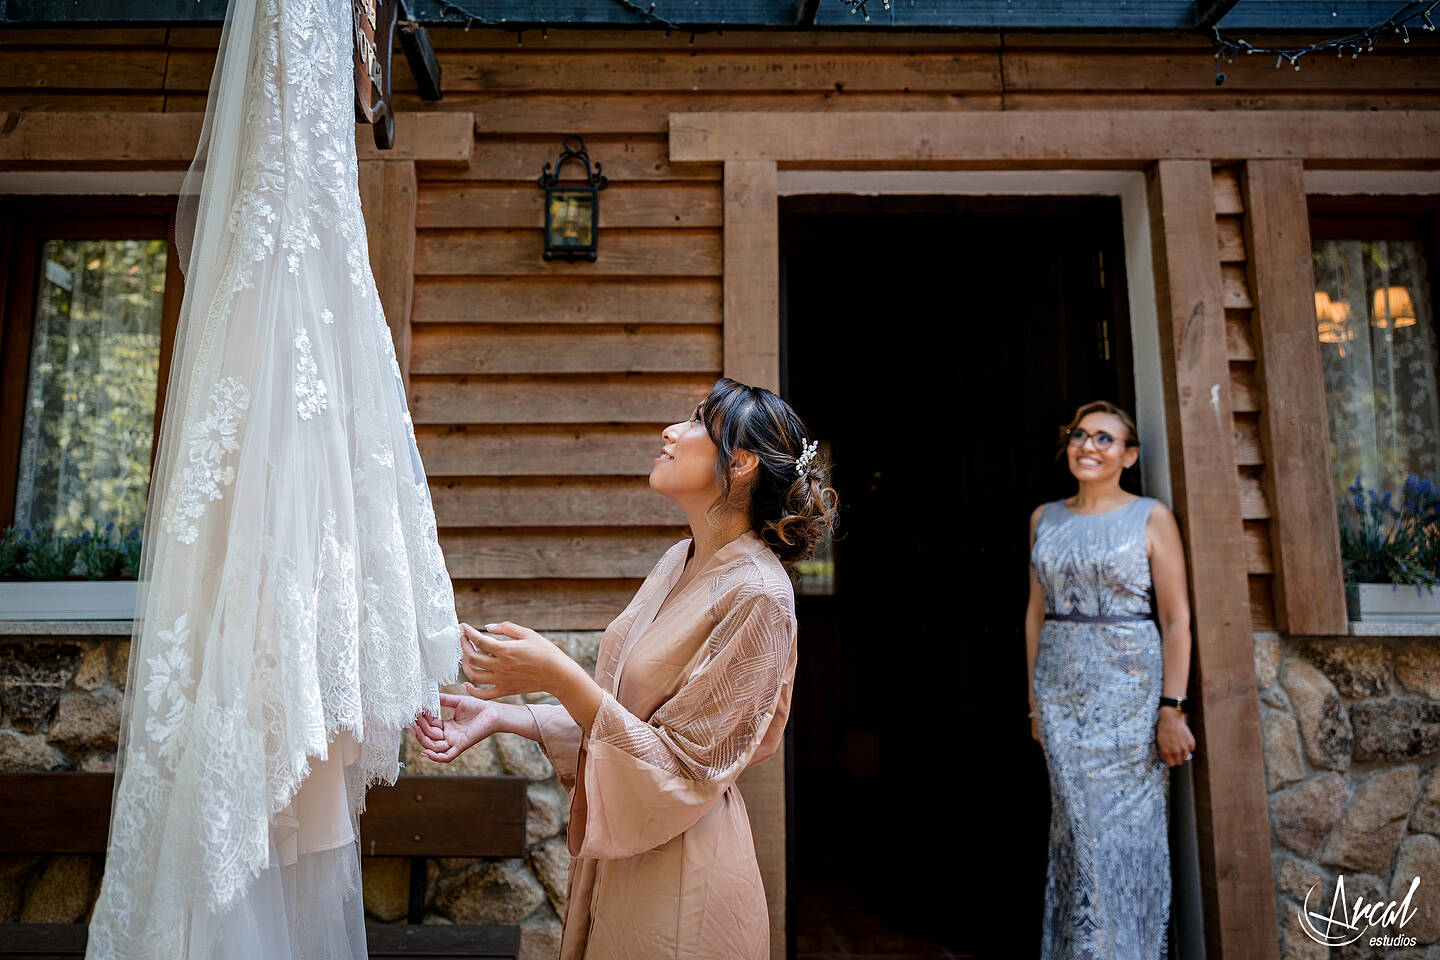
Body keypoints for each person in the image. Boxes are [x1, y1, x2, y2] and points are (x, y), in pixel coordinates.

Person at [412, 378, 838, 959]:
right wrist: (504, 718)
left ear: (740, 464)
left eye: (697, 421)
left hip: (685, 875)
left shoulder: (760, 595)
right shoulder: (678, 559)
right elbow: (628, 724)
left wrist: (559, 674)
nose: (671, 431)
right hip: (624, 868)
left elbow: (683, 766)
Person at [1024, 400, 1195, 960]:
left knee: (1123, 838)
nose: (1088, 446)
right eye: (1080, 435)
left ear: (1129, 455)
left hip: (1131, 701)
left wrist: (1172, 707)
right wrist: (1034, 702)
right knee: (1077, 831)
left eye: (1104, 438)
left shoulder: (1151, 516)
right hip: (1060, 698)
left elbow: (1175, 618)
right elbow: (1035, 614)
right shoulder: (1045, 518)